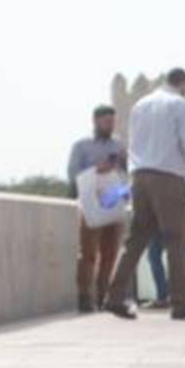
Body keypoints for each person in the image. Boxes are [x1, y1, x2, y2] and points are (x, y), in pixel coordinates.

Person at [104, 68, 185, 320]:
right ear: (184, 83)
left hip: (139, 176)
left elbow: (134, 142)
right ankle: (179, 303)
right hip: (169, 176)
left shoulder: (140, 104)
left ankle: (114, 297)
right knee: (176, 240)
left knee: (136, 240)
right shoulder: (179, 103)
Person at [66, 105, 127, 312]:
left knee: (110, 254)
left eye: (112, 121)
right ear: (95, 121)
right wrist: (96, 170)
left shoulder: (119, 145)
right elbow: (73, 174)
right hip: (91, 205)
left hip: (114, 201)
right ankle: (84, 297)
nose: (110, 125)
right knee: (88, 253)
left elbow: (126, 172)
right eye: (106, 121)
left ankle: (104, 297)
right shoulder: (81, 146)